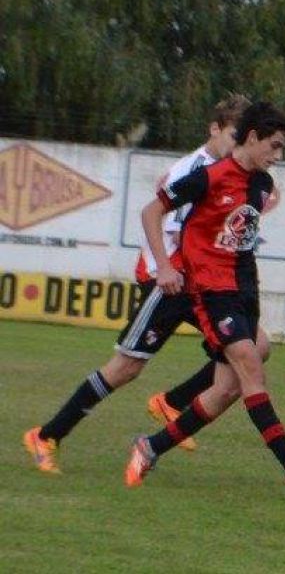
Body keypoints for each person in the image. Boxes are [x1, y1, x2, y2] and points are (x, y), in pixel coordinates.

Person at [22, 94, 266, 474]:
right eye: (235, 135)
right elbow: (159, 222)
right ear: (215, 129)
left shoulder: (234, 174)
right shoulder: (191, 171)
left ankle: (172, 402)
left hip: (201, 286)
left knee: (256, 347)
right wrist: (164, 271)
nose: (240, 145)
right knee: (124, 369)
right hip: (168, 285)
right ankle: (47, 435)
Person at [125, 101, 285, 493]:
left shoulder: (262, 184)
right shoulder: (209, 177)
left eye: (282, 147)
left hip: (245, 290)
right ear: (251, 137)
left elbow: (237, 237)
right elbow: (152, 211)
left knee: (224, 391)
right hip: (211, 292)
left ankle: (149, 447)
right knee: (252, 369)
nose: (278, 156)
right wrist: (165, 267)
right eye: (274, 146)